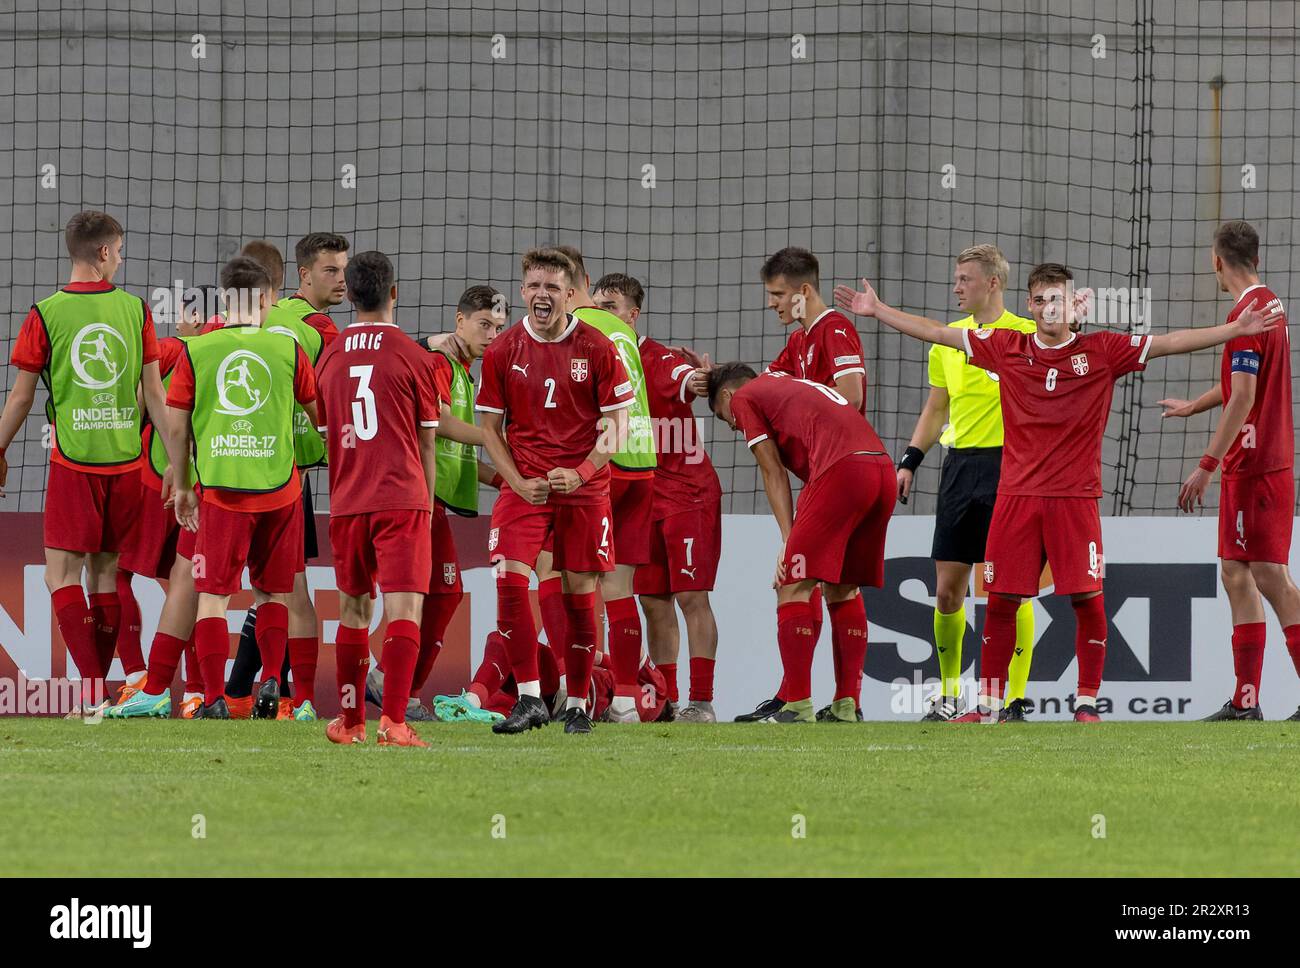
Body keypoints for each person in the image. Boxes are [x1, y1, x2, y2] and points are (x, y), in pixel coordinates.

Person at [833, 263, 1276, 722]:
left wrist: (1233, 329)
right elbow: (937, 333)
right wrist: (879, 309)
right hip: (1016, 498)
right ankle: (986, 704)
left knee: (1087, 599)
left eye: (1056, 300)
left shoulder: (1102, 351)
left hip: (1075, 499)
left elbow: (1169, 342)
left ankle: (1085, 704)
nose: (1048, 308)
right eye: (1040, 300)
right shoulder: (1006, 347)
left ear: (1071, 304)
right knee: (1001, 599)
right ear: (1029, 306)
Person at [0, 210, 168, 717]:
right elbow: (156, 398)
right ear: (101, 254)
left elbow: (21, 400)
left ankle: (92, 690)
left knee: (60, 578)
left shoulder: (44, 313)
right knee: (104, 576)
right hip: (125, 462)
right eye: (117, 251)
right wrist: (177, 463)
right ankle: (103, 693)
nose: (119, 259)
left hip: (73, 462)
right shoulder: (136, 311)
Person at [476, 247, 635, 734]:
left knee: (579, 592)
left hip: (583, 491)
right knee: (508, 578)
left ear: (569, 293)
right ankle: (528, 699)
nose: (541, 295)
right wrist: (517, 480)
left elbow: (619, 425)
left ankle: (579, 703)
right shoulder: (503, 350)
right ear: (522, 292)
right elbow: (487, 428)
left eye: (552, 287)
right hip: (526, 488)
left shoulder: (596, 347)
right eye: (533, 286)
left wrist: (583, 471)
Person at [164, 256, 319, 719]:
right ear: (269, 297)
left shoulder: (199, 350)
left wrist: (185, 483)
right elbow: (318, 418)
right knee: (272, 594)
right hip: (281, 490)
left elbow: (175, 427)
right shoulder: (289, 349)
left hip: (222, 490)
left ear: (224, 300)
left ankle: (212, 698)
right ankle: (271, 677)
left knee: (212, 595)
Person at [1160, 220, 1300, 721]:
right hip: (1263, 461)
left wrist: (1205, 466)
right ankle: (1246, 701)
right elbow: (1243, 385)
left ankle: (1250, 700)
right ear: (1256, 259)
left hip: (1255, 463)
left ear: (1217, 261)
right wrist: (1195, 406)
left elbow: (1243, 397)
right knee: (1237, 572)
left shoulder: (1246, 313)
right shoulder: (1270, 305)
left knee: (1268, 576)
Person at [895, 244, 1038, 722]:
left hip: (1011, 469)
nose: (956, 288)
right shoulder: (947, 339)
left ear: (992, 283)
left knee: (1007, 588)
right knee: (948, 589)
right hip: (960, 469)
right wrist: (910, 461)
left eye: (965, 280)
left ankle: (1012, 698)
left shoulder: (1026, 334)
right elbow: (937, 410)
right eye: (955, 279)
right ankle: (949, 693)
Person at [707, 364, 892, 722]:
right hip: (880, 468)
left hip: (843, 472)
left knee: (791, 583)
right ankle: (846, 705)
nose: (731, 425)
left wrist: (787, 539)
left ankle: (798, 704)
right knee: (843, 589)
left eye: (722, 416)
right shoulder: (785, 382)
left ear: (729, 395)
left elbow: (771, 469)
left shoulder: (744, 398)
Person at [315, 251, 439, 746]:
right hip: (401, 498)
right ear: (393, 293)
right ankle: (394, 722)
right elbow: (428, 439)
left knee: (353, 612)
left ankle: (349, 724)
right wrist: (425, 505)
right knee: (404, 609)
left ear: (352, 295)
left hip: (348, 501)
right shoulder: (414, 355)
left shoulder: (329, 354)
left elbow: (327, 432)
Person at [222, 236, 346, 720]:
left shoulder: (241, 325)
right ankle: (295, 697)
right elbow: (331, 400)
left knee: (259, 589)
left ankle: (230, 692)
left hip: (237, 467)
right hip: (288, 473)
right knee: (287, 589)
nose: (340, 280)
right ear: (299, 276)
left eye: (343, 270)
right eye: (331, 271)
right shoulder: (321, 333)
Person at [594, 272, 723, 722]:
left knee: (692, 598)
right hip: (644, 495)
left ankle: (701, 702)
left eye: (610, 307)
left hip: (688, 494)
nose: (600, 314)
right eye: (596, 305)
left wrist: (703, 379)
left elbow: (689, 381)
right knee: (652, 603)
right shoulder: (592, 358)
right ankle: (665, 701)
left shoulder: (654, 356)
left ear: (633, 315)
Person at [555, 245, 657, 723]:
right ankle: (626, 700)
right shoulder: (622, 329)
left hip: (603, 465)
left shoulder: (578, 327)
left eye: (552, 288)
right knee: (620, 587)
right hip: (642, 463)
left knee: (562, 571)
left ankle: (564, 685)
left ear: (570, 290)